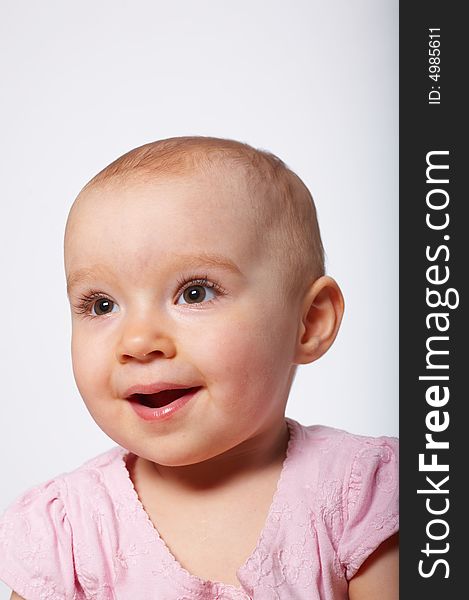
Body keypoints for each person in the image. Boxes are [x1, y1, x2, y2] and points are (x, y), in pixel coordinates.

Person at [0, 136, 398, 599]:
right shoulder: (65, 536)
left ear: (308, 322)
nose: (138, 342)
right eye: (101, 304)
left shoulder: (362, 497)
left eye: (195, 293)